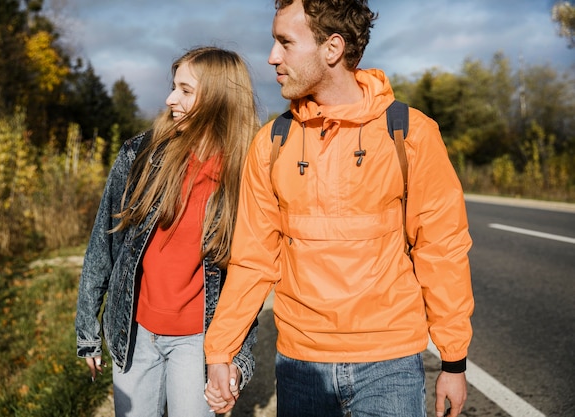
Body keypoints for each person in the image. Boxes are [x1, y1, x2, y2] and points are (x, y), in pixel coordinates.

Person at [203, 1, 474, 416]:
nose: (272, 57)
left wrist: (453, 361)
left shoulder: (411, 133)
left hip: (390, 364)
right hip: (299, 365)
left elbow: (442, 251)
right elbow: (253, 260)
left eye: (285, 43)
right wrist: (220, 349)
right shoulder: (271, 142)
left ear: (332, 49)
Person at [75, 46, 260, 417]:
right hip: (135, 331)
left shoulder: (247, 172)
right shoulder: (141, 155)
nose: (170, 98)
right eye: (174, 86)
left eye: (185, 90)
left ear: (219, 98)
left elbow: (248, 278)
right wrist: (88, 332)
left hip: (199, 342)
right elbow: (103, 246)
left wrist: (238, 361)